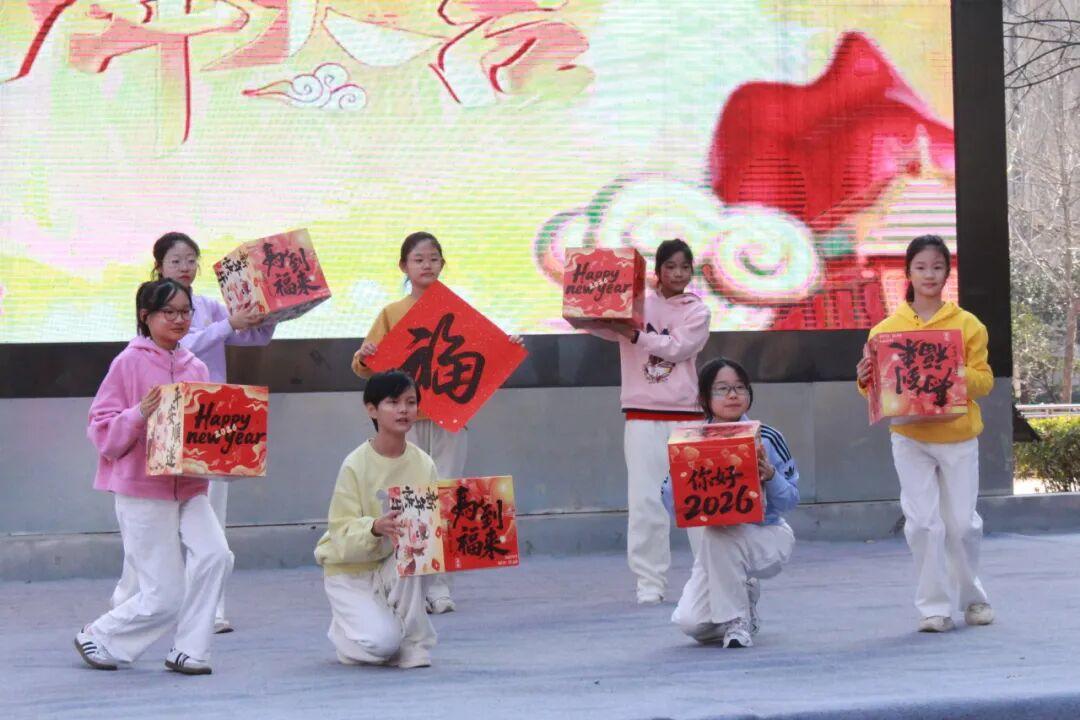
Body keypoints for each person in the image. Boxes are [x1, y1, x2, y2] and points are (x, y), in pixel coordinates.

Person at [111, 232, 273, 634]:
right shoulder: (155, 307)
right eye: (176, 260)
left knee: (212, 524)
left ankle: (212, 610)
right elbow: (181, 347)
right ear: (159, 267)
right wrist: (226, 326)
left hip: (208, 425)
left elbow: (254, 335)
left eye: (191, 260)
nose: (185, 267)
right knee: (149, 529)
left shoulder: (210, 306)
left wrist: (270, 310)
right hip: (166, 425)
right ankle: (128, 601)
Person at [75, 279, 232, 675]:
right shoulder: (128, 362)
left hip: (190, 486)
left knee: (216, 555)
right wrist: (139, 413)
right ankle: (100, 634)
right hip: (143, 489)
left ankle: (190, 650)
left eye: (185, 312)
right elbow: (101, 430)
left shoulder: (196, 366)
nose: (180, 320)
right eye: (169, 312)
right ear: (146, 316)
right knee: (165, 594)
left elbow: (205, 431)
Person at [856, 234, 994, 633]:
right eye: (921, 267)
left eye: (937, 267)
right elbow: (879, 392)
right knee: (922, 524)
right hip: (910, 437)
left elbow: (985, 381)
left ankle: (973, 599)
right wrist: (864, 378)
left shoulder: (968, 325)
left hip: (958, 436)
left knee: (962, 524)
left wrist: (950, 371)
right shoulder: (886, 330)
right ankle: (933, 608)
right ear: (909, 273)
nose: (929, 275)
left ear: (948, 272)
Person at [584, 239, 711, 604]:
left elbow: (679, 348)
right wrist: (590, 309)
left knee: (696, 502)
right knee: (645, 501)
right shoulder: (636, 304)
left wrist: (635, 334)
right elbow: (600, 326)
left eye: (684, 267)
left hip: (686, 417)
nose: (678, 274)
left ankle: (710, 574)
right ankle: (649, 583)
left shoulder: (697, 311)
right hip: (641, 415)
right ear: (658, 270)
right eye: (670, 267)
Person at [670, 357, 799, 648]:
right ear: (705, 397)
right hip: (717, 546)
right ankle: (743, 595)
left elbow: (790, 501)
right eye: (722, 389)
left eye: (740, 387)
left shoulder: (768, 437)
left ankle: (737, 622)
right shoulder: (690, 443)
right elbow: (672, 502)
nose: (732, 395)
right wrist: (683, 481)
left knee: (719, 534)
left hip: (766, 535)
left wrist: (771, 477)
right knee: (691, 623)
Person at [315, 370, 439, 668]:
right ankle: (349, 636)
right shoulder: (355, 464)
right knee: (382, 645)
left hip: (393, 564)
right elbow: (341, 531)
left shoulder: (424, 464)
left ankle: (413, 643)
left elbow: (433, 524)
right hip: (351, 571)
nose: (403, 410)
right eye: (393, 402)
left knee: (419, 549)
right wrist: (373, 527)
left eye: (410, 402)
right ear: (371, 410)